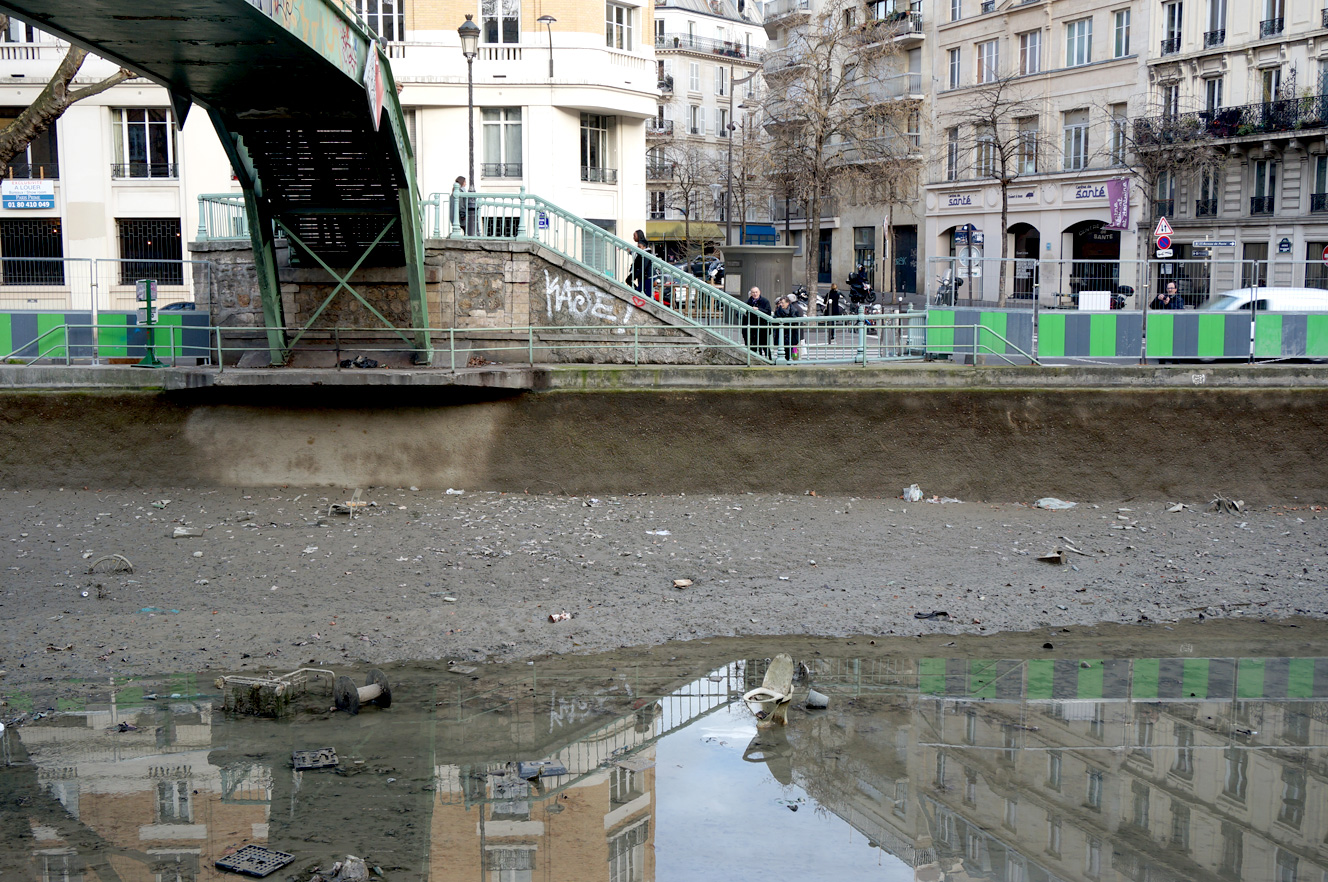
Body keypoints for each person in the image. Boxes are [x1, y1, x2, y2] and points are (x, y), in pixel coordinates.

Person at [745, 286, 772, 359]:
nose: (755, 294)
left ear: (759, 292)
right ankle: (756, 359)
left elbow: (768, 312)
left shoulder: (765, 301)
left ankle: (769, 359)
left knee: (765, 345)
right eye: (753, 292)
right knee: (754, 345)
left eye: (756, 292)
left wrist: (758, 310)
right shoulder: (748, 302)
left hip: (763, 327)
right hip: (752, 327)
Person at [773, 296, 796, 361]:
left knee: (794, 349)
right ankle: (792, 360)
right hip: (782, 334)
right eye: (780, 303)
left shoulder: (793, 310)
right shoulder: (778, 310)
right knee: (786, 349)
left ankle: (794, 360)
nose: (781, 304)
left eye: (782, 303)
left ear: (787, 303)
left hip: (791, 333)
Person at [628, 229, 649, 296]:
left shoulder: (642, 244)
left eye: (634, 236)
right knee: (639, 284)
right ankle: (638, 292)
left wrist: (631, 252)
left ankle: (638, 292)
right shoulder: (640, 244)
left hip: (641, 269)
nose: (633, 237)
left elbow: (638, 255)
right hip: (639, 269)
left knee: (640, 284)